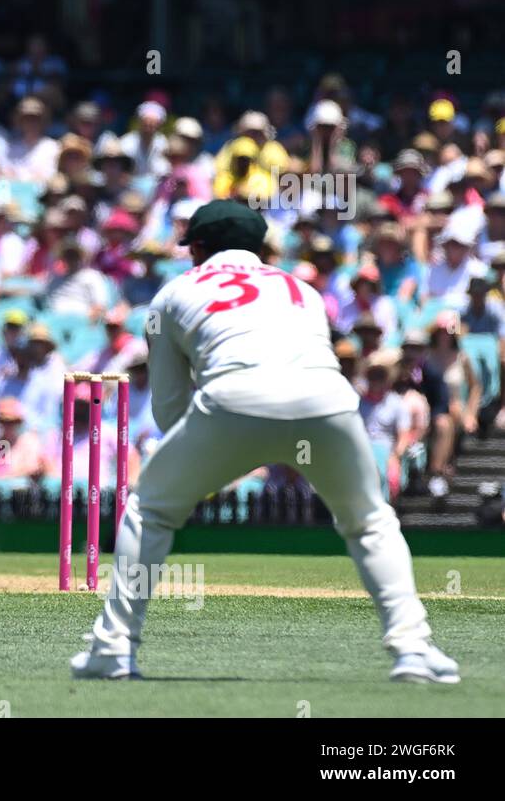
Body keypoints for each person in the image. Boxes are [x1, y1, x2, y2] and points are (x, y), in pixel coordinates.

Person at [71, 199, 459, 684]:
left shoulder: (173, 293)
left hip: (232, 401)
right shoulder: (303, 290)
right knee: (370, 521)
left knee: (149, 509)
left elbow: (170, 405)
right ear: (260, 248)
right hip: (329, 405)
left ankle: (112, 649)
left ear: (201, 248)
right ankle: (413, 649)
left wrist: (191, 466)